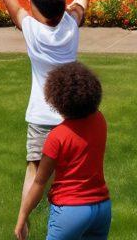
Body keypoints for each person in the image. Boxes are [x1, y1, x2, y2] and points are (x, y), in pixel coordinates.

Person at [0, 0, 106, 217]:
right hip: (72, 115)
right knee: (69, 171)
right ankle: (67, 211)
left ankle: (23, 218)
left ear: (38, 12)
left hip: (41, 116)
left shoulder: (32, 29)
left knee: (35, 169)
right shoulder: (70, 23)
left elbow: (10, 2)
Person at [15, 62, 111, 240]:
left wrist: (22, 217)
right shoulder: (100, 120)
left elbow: (39, 182)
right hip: (102, 207)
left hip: (70, 210)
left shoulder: (57, 136)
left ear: (57, 101)